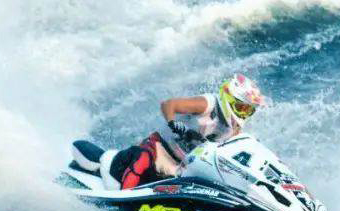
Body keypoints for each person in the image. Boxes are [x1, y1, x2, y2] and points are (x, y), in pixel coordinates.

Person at [111, 74, 267, 190]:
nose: (244, 114)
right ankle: (121, 202)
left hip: (180, 167)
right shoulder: (206, 104)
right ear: (228, 98)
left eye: (248, 111)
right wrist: (173, 123)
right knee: (142, 158)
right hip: (157, 148)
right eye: (241, 108)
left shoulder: (233, 128)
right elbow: (168, 104)